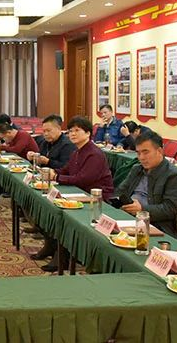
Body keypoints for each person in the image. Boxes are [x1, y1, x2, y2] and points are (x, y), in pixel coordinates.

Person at [34, 116, 115, 272]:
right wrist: (52, 172)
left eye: (77, 130)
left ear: (88, 133)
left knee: (63, 216)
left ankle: (63, 256)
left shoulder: (94, 154)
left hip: (97, 199)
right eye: (70, 131)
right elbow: (66, 170)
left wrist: (56, 177)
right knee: (49, 209)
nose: (72, 134)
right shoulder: (77, 152)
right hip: (79, 193)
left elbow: (83, 179)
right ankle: (51, 246)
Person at [113, 129, 177, 237]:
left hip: (155, 225)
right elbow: (121, 190)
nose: (141, 157)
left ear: (160, 151)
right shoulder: (137, 169)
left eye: (146, 152)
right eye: (138, 153)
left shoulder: (175, 175)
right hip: (128, 217)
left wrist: (142, 210)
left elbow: (169, 210)